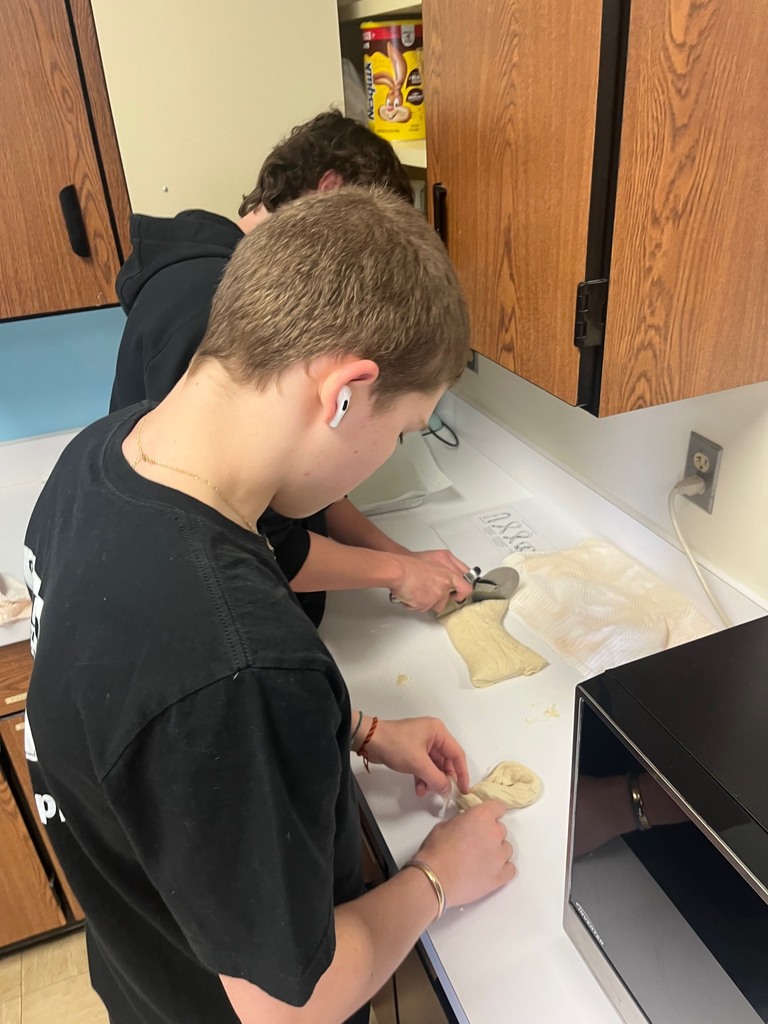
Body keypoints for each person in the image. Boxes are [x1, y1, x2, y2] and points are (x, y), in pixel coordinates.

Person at [24, 186, 516, 1024]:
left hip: (145, 962)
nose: (385, 456)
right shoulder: (233, 659)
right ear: (346, 392)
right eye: (402, 431)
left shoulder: (104, 458)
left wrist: (353, 731)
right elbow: (290, 1005)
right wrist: (438, 876)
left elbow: (156, 743)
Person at [109, 109, 473, 626]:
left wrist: (402, 559)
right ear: (330, 192)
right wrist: (395, 572)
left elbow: (288, 498)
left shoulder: (211, 263)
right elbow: (260, 538)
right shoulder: (205, 301)